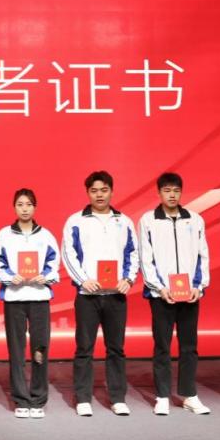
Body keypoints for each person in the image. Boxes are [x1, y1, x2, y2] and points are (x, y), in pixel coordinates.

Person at [63, 171, 140, 417]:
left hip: (116, 294)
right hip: (88, 295)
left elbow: (132, 253)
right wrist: (83, 280)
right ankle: (83, 398)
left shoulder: (124, 221)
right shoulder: (76, 221)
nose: (99, 195)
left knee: (116, 348)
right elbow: (69, 254)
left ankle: (117, 398)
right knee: (84, 348)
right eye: (94, 190)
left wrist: (128, 279)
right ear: (88, 193)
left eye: (104, 190)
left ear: (112, 192)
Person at [138, 172, 211, 415]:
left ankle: (190, 395)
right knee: (162, 346)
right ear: (159, 193)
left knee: (189, 346)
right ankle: (162, 396)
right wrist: (160, 287)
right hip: (162, 295)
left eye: (176, 190)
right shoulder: (148, 220)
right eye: (167, 190)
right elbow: (145, 258)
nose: (172, 195)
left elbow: (203, 255)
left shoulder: (195, 220)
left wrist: (198, 286)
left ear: (181, 192)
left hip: (189, 293)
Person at [0, 188, 61, 419]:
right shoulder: (4, 235)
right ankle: (21, 399)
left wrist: (45, 276)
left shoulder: (46, 236)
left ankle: (38, 399)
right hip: (14, 299)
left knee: (40, 349)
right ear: (14, 207)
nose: (24, 209)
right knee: (17, 350)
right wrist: (10, 277)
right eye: (20, 204)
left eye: (29, 204)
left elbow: (54, 262)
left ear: (35, 207)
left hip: (39, 298)